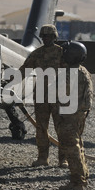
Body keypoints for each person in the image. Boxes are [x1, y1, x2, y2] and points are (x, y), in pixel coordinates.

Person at [18, 24, 67, 168]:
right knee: (41, 128)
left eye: (49, 36)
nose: (46, 38)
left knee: (61, 128)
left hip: (58, 96)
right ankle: (42, 158)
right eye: (44, 36)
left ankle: (63, 159)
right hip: (41, 96)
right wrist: (9, 83)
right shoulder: (37, 54)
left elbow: (71, 72)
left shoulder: (62, 53)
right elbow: (24, 70)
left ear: (54, 37)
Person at [56, 41, 93, 190]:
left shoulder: (69, 74)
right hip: (79, 114)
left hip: (70, 115)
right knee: (78, 145)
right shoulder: (82, 71)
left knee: (71, 147)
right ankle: (83, 176)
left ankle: (77, 182)